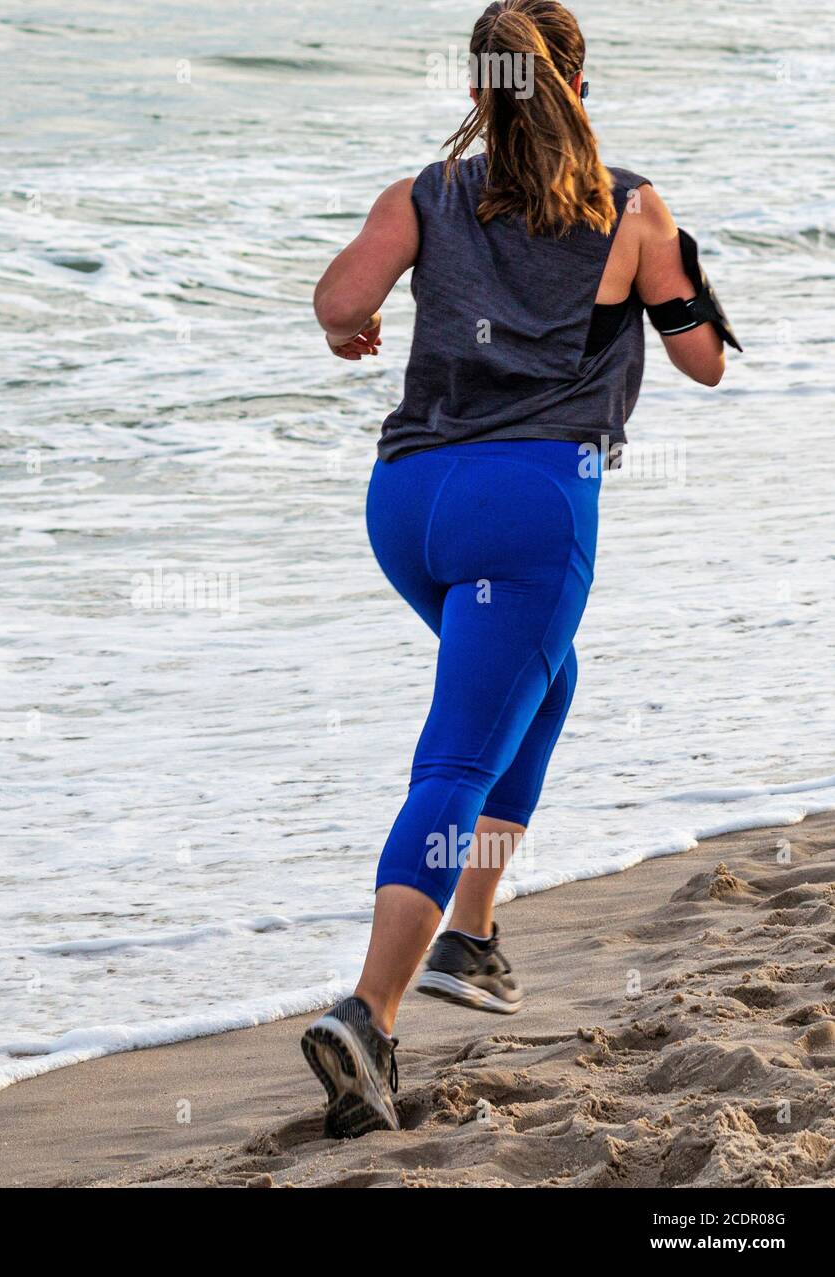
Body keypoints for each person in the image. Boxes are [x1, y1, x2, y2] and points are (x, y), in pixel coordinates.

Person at [300, 0, 735, 1137]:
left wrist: (352, 330)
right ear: (576, 87)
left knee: (545, 680)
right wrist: (680, 275)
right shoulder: (630, 208)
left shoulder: (424, 195)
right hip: (528, 503)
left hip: (408, 504)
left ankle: (474, 938)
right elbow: (700, 363)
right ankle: (368, 1014)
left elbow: (342, 302)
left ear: (481, 89)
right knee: (455, 755)